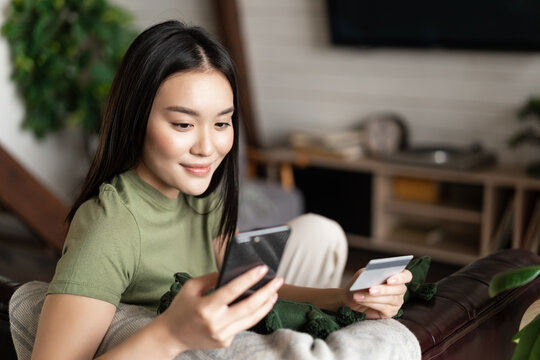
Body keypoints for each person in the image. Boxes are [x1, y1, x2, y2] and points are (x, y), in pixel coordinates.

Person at [31, 20, 412, 359]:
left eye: (221, 123)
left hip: (218, 325)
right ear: (136, 120)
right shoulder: (110, 223)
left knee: (318, 230)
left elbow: (253, 288)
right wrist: (171, 334)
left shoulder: (201, 196)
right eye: (183, 124)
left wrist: (344, 296)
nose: (207, 148)